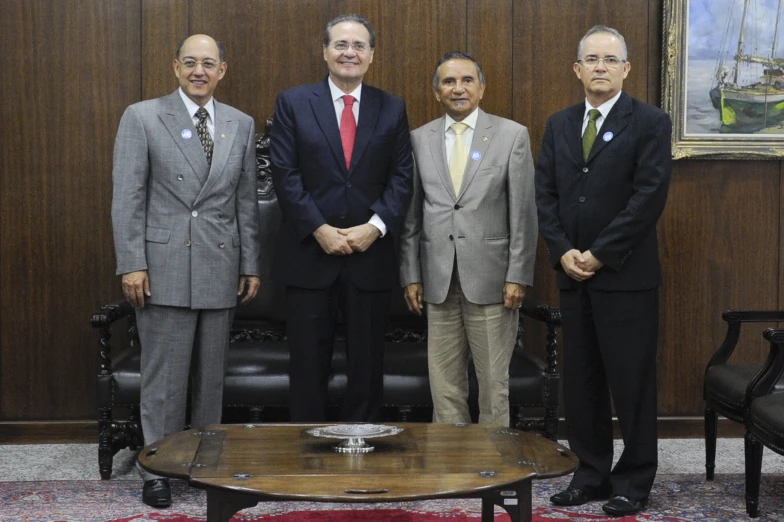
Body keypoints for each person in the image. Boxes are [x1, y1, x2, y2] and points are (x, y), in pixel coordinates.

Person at [111, 34, 260, 508]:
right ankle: (157, 467)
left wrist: (250, 261)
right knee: (164, 379)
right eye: (191, 62)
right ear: (176, 68)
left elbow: (245, 202)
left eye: (209, 63)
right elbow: (127, 197)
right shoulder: (143, 116)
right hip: (164, 264)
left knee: (209, 378)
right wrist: (132, 262)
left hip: (220, 263)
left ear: (223, 70)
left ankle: (203, 465)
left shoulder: (240, 122)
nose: (200, 71)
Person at [534, 26, 671, 517]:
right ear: (577, 69)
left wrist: (599, 253)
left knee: (631, 382)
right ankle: (590, 473)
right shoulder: (559, 123)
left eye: (610, 60)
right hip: (573, 274)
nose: (600, 67)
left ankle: (633, 481)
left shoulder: (651, 122)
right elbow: (544, 195)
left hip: (625, 277)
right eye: (591, 59)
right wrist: (564, 249)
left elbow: (647, 199)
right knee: (583, 381)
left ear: (626, 69)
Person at [270, 14, 413, 422]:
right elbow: (285, 173)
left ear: (371, 55)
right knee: (307, 364)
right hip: (308, 256)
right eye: (341, 45)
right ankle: (306, 451)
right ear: (325, 51)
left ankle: (361, 449)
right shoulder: (293, 102)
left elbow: (403, 177)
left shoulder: (391, 107)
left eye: (359, 46)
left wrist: (375, 226)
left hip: (370, 256)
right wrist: (318, 228)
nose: (349, 53)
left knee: (367, 365)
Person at [399, 51, 537, 427]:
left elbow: (523, 214)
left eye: (466, 81)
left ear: (481, 88)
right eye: (448, 82)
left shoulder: (511, 135)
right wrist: (411, 274)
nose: (458, 89)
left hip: (493, 281)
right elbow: (411, 215)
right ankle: (451, 466)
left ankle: (494, 466)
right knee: (444, 384)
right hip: (437, 280)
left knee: (494, 384)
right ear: (436, 92)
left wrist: (517, 275)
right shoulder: (417, 139)